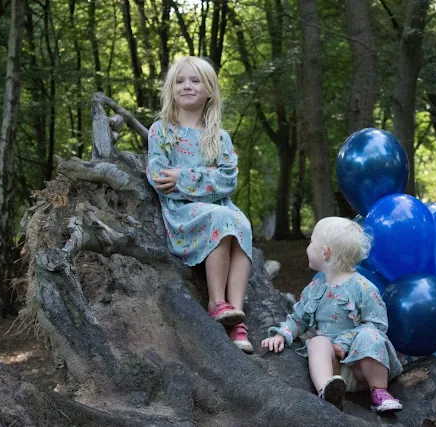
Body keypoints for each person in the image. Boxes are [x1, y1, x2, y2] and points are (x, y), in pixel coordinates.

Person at [146, 56, 253, 354]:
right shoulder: (162, 131)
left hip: (220, 207)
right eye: (180, 81)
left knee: (241, 223)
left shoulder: (219, 138)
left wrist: (183, 176)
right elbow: (158, 176)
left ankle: (236, 317)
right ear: (171, 89)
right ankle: (216, 301)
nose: (187, 86)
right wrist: (201, 180)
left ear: (209, 90)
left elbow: (228, 180)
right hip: (182, 212)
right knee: (220, 217)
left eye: (195, 81)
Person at [261, 217, 403, 412]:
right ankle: (327, 389)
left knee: (372, 336)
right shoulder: (314, 289)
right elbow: (298, 319)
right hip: (334, 367)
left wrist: (344, 342)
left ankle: (379, 391)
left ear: (325, 253)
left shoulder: (363, 288)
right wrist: (281, 334)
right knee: (318, 342)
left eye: (311, 242)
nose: (308, 247)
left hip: (361, 367)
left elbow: (378, 325)